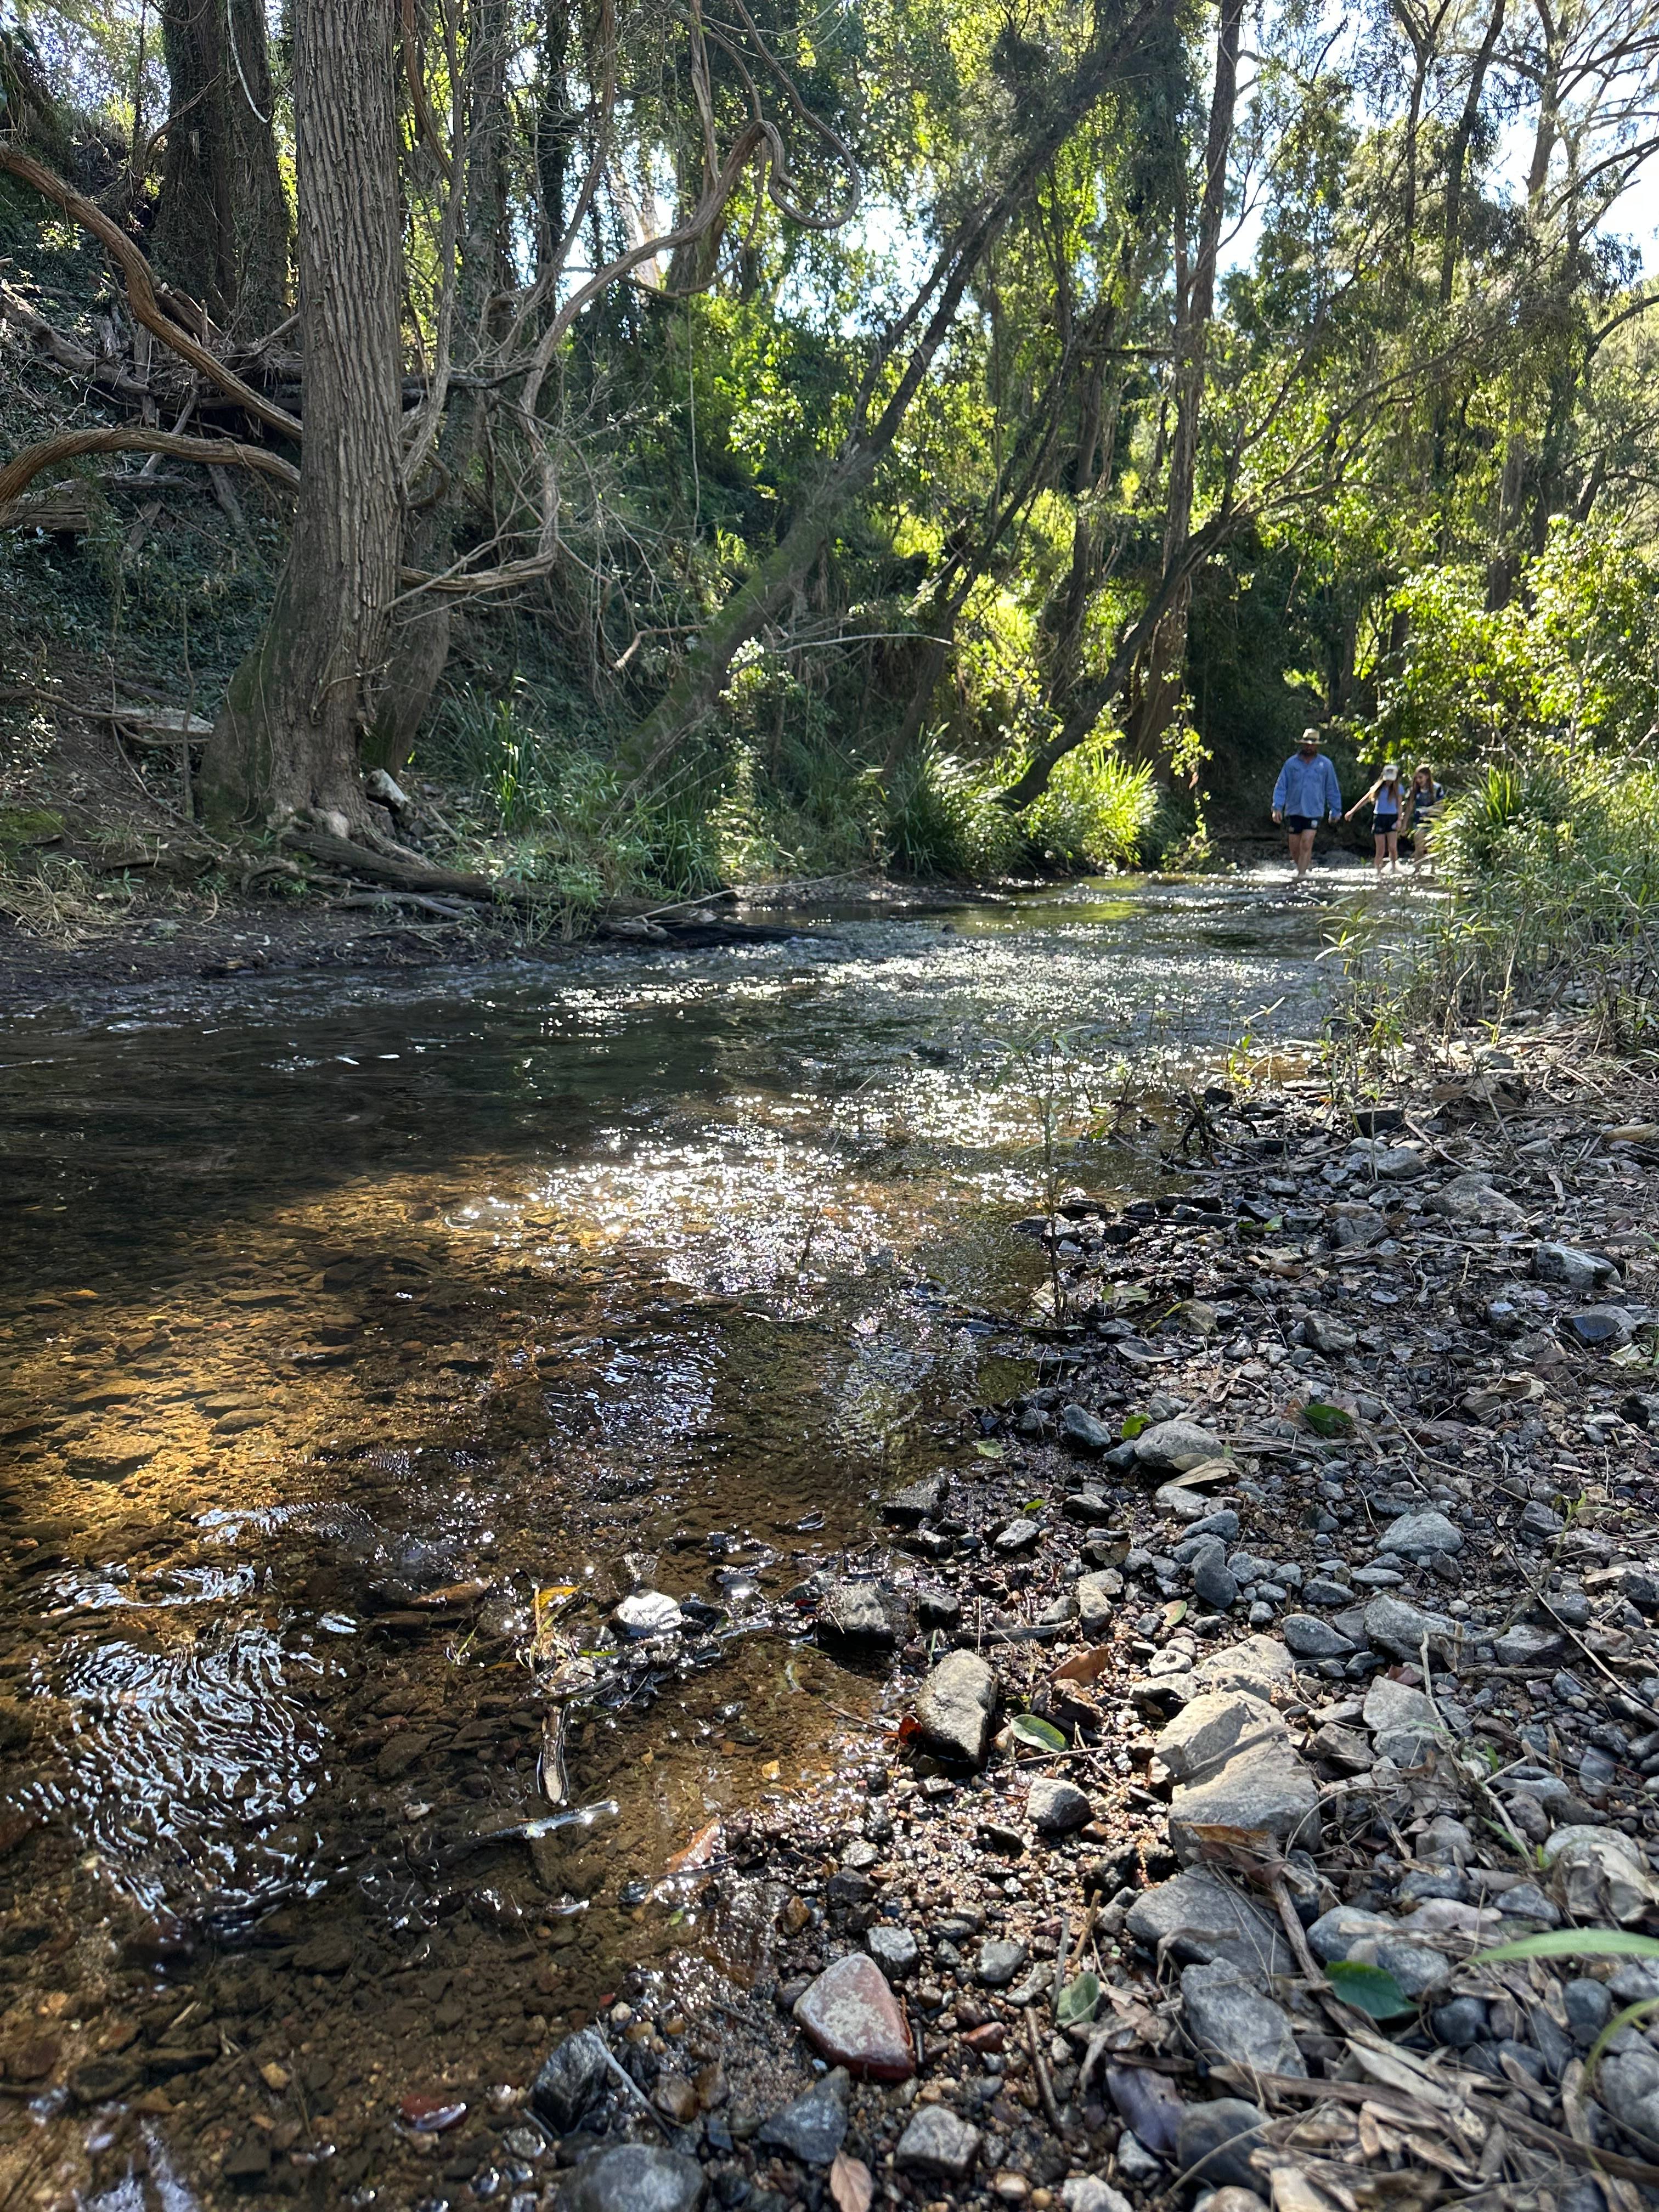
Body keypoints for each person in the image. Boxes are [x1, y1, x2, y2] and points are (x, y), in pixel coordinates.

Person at [1271, 727, 1342, 880]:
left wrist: (1335, 810)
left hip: (1314, 811)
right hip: (1294, 810)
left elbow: (1332, 788)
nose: (1309, 747)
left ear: (1317, 746)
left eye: (1313, 744)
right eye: (1307, 744)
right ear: (1303, 744)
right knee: (1294, 847)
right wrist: (1277, 807)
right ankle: (1302, 870)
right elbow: (1281, 786)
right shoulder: (1291, 764)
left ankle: (1301, 877)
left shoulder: (1326, 765)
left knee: (1306, 843)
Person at [1345, 761, 1406, 878]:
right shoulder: (1378, 788)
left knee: (1393, 847)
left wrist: (1399, 820)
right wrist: (1352, 811)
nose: (1389, 781)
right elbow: (1365, 799)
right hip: (1379, 817)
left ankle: (1394, 867)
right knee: (1380, 849)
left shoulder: (1398, 788)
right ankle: (1378, 872)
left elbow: (1399, 805)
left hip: (1392, 817)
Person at [1405, 761, 1443, 876]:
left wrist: (1431, 812)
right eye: (1417, 778)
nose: (1418, 780)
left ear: (1427, 776)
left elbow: (1441, 807)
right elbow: (1409, 808)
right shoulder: (1414, 790)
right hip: (1419, 823)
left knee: (1433, 847)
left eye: (1420, 778)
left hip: (1434, 822)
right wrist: (1404, 824)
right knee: (1418, 847)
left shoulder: (1437, 788)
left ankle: (1434, 871)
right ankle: (1417, 871)